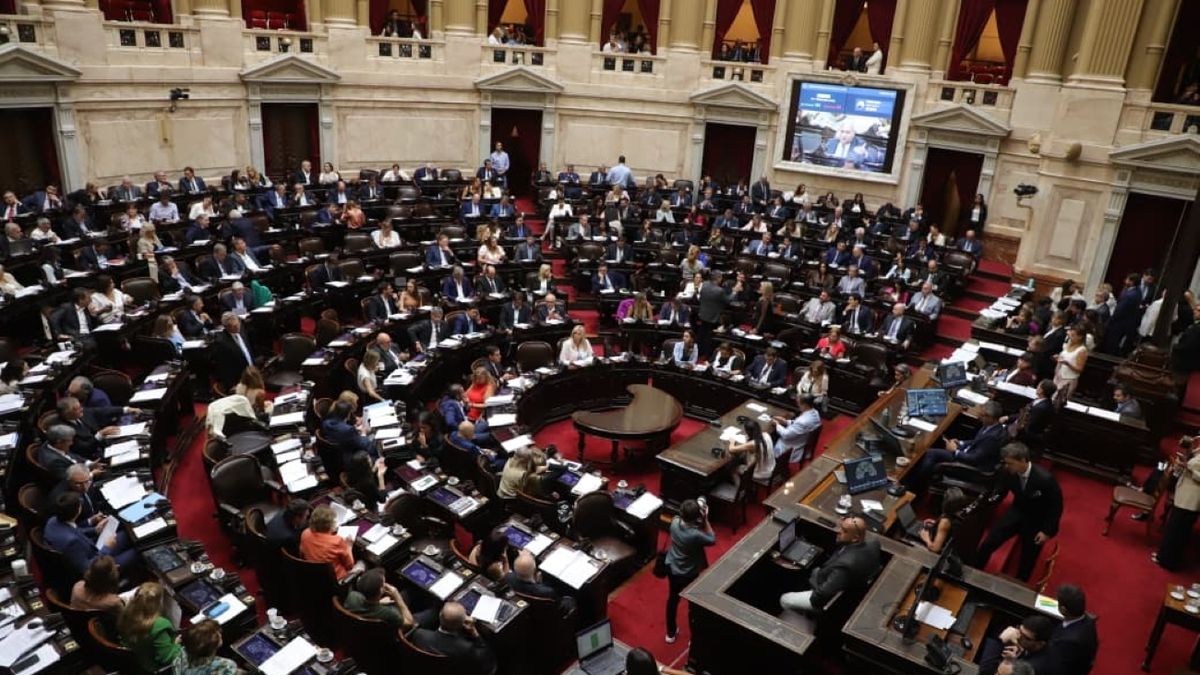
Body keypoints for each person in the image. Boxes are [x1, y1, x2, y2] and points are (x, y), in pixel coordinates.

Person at [974, 443, 1063, 580]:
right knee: (988, 543)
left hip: (1036, 520)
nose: (1007, 466)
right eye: (1006, 463)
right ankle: (974, 571)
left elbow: (1056, 507)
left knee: (1027, 560)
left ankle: (1019, 583)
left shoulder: (1045, 479)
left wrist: (1046, 531)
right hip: (1016, 512)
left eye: (1010, 463)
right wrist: (987, 502)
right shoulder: (1008, 472)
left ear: (1023, 460)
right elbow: (1000, 491)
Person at [780, 516, 882, 613]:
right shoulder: (874, 543)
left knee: (785, 599)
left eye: (844, 531)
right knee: (813, 570)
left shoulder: (845, 567)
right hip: (831, 577)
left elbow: (821, 596)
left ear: (855, 538)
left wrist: (815, 593)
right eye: (841, 527)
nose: (838, 531)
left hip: (822, 592)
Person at [903, 401, 1008, 493]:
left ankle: (913, 486)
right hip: (968, 452)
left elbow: (975, 459)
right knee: (937, 446)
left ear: (990, 417)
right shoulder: (992, 426)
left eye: (982, 415)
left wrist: (955, 451)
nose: (979, 417)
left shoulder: (991, 438)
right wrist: (960, 443)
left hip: (972, 467)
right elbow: (976, 442)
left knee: (930, 453)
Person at [664, 499, 716, 643]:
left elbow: (686, 521)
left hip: (673, 567)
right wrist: (705, 519)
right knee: (693, 605)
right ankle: (694, 638)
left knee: (672, 599)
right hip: (689, 573)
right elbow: (712, 539)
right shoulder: (695, 535)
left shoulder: (674, 522)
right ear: (696, 517)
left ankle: (670, 633)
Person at [411, 602, 496, 674]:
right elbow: (488, 664)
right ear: (463, 623)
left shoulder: (419, 634)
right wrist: (474, 632)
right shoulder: (466, 649)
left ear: (440, 616)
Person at [1155, 435, 1200, 570]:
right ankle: (1162, 556)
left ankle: (1170, 562)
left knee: (1179, 531)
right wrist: (1187, 455)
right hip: (1183, 493)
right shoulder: (1198, 447)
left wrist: (1188, 467)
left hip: (1192, 498)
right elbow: (1191, 460)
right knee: (1173, 527)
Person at [119, 582, 182, 673]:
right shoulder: (159, 625)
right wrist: (176, 644)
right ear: (157, 603)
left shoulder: (125, 615)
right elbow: (167, 658)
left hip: (137, 659)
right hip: (154, 668)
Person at [978, 614, 1060, 675]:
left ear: (1040, 643)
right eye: (1019, 631)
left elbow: (985, 672)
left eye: (1026, 638)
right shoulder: (1033, 648)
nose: (1019, 637)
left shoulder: (1034, 667)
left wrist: (1000, 640)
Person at [344, 568, 419, 630]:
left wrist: (379, 602)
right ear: (381, 591)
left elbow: (366, 606)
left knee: (407, 594)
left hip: (359, 630)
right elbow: (409, 622)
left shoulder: (352, 596)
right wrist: (397, 596)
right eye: (384, 584)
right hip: (391, 634)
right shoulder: (389, 614)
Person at [506, 550, 575, 616]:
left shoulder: (509, 578)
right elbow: (559, 602)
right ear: (534, 570)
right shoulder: (547, 591)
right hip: (552, 612)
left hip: (530, 609)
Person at [300, 504, 357, 579]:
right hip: (336, 579)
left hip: (312, 574)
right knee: (363, 563)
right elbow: (350, 566)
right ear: (329, 525)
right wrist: (349, 546)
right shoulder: (337, 541)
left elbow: (302, 555)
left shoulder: (305, 533)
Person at [772, 394, 821, 467]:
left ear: (805, 405)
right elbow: (799, 425)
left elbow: (786, 435)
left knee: (769, 439)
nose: (798, 405)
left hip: (791, 446)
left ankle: (775, 463)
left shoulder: (803, 421)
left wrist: (777, 425)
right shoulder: (815, 412)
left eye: (799, 403)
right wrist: (785, 422)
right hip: (801, 438)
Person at [920, 487, 970, 553]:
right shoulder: (961, 514)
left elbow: (935, 549)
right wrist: (936, 524)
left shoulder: (945, 522)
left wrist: (926, 538)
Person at [727, 418, 773, 484]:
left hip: (761, 474)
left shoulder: (753, 444)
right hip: (770, 468)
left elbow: (731, 449)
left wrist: (732, 441)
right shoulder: (766, 435)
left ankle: (741, 487)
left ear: (748, 432)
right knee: (742, 456)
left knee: (732, 468)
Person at [1053, 326, 1088, 404]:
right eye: (1070, 335)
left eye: (1073, 335)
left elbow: (1080, 369)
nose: (1070, 337)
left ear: (1080, 337)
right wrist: (1058, 357)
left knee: (1059, 402)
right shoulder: (1069, 343)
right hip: (1058, 375)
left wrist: (1067, 363)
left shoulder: (1082, 350)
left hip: (1068, 379)